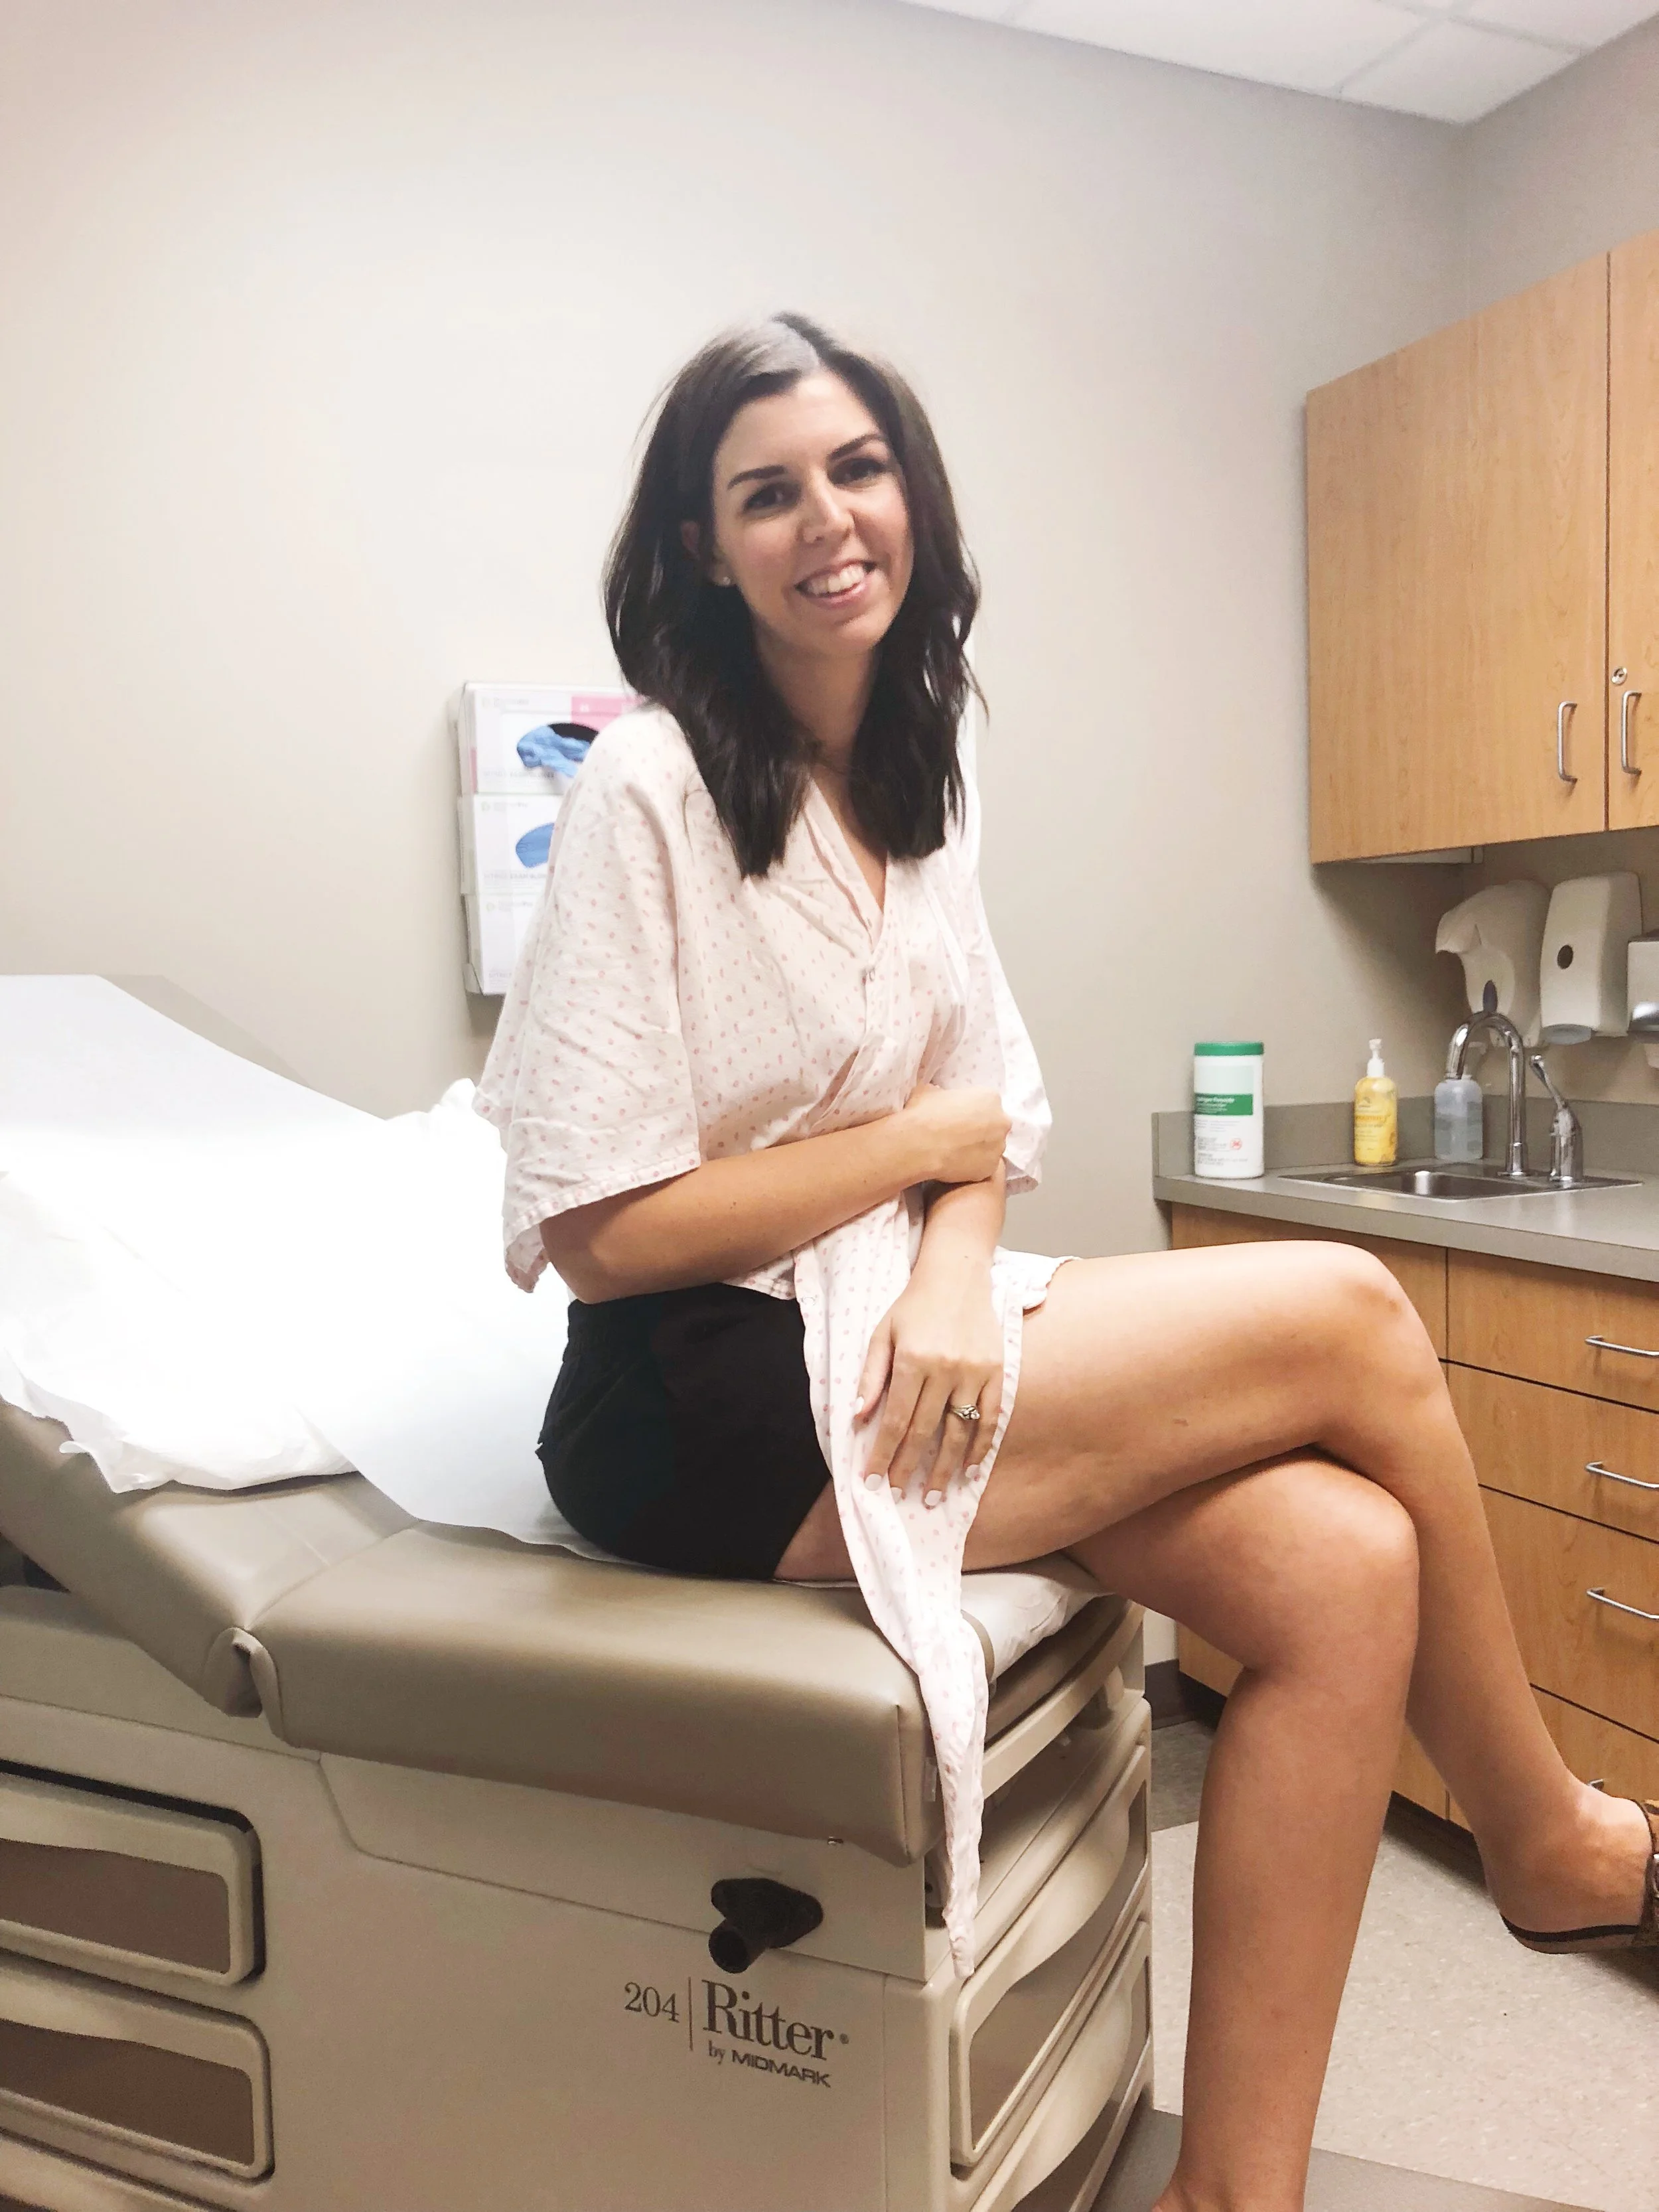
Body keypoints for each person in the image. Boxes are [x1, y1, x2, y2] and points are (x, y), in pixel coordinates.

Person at [476, 313, 1656, 2212]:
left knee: (1345, 1567)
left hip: (884, 1320)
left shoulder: (920, 772)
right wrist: (921, 1156)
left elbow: (989, 1120)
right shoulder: (651, 787)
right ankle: (1542, 1835)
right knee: (1354, 1309)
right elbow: (601, 1234)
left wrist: (955, 1267)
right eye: (767, 493)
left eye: (858, 468)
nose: (826, 518)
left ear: (913, 497)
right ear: (705, 548)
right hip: (691, 1397)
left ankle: (1231, 2196)